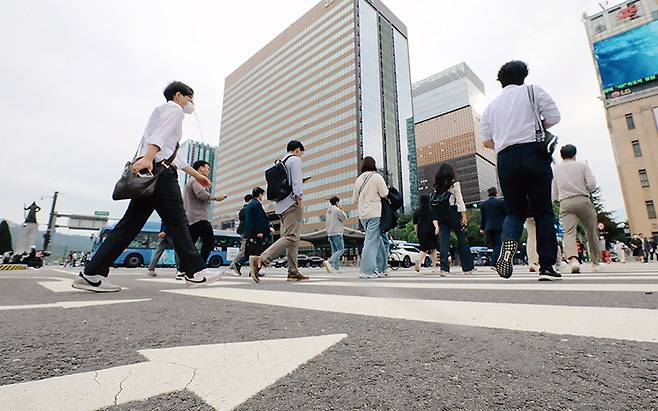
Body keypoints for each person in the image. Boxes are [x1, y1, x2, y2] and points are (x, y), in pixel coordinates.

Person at [73, 81, 222, 292]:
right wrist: (150, 158)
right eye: (190, 97)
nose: (191, 103)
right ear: (179, 95)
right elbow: (159, 140)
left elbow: (173, 154)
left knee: (129, 225)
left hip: (152, 172)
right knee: (178, 221)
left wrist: (197, 175)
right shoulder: (174, 109)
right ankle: (196, 272)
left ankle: (92, 273)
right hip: (160, 174)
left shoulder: (160, 111)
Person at [480, 60, 562, 281]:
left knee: (514, 211)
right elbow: (554, 117)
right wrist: (532, 127)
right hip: (533, 153)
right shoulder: (532, 91)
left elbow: (486, 141)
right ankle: (546, 266)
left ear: (501, 81)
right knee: (543, 211)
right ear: (523, 76)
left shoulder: (490, 108)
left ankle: (508, 246)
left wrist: (505, 136)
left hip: (505, 159)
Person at [249, 140, 308, 282]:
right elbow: (296, 182)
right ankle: (261, 260)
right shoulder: (294, 160)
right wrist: (298, 197)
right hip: (292, 204)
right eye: (301, 153)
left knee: (292, 239)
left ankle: (293, 272)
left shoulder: (282, 161)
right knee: (292, 237)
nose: (301, 155)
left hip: (281, 205)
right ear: (298, 150)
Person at [552, 144, 602, 273]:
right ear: (574, 155)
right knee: (591, 230)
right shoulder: (582, 166)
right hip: (583, 199)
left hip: (565, 202)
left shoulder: (556, 170)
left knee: (569, 232)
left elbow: (554, 191)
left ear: (561, 155)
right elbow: (592, 184)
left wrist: (558, 199)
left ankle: (573, 259)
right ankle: (595, 262)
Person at [430, 163, 474, 276]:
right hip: (453, 212)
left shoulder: (437, 185)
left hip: (441, 214)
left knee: (444, 240)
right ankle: (468, 267)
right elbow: (459, 200)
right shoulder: (454, 184)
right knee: (461, 238)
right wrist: (464, 216)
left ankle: (444, 269)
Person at [184, 160, 227, 266]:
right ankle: (200, 266)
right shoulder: (196, 179)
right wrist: (215, 198)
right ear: (201, 168)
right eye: (207, 168)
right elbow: (200, 194)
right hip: (199, 218)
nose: (208, 170)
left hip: (192, 218)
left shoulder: (192, 180)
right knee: (209, 241)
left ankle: (184, 268)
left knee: (190, 245)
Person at [352, 156, 389, 279]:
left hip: (363, 215)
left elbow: (354, 199)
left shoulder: (358, 180)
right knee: (371, 242)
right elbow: (384, 193)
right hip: (374, 213)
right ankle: (367, 271)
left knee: (378, 242)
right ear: (373, 164)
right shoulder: (376, 177)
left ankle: (382, 269)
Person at [242, 188, 273, 268]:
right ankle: (251, 269)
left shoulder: (251, 204)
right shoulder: (256, 204)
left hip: (251, 232)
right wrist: (260, 231)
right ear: (259, 194)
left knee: (252, 252)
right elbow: (258, 219)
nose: (263, 196)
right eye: (263, 194)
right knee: (256, 252)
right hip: (255, 233)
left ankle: (251, 269)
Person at [479, 187, 506, 267]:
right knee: (499, 244)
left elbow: (483, 217)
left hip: (488, 227)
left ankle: (495, 261)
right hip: (499, 227)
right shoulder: (501, 202)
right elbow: (505, 214)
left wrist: (482, 228)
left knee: (494, 245)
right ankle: (494, 263)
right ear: (496, 193)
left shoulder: (483, 204)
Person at [413, 194, 438, 273]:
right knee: (433, 249)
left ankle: (419, 260)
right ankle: (434, 267)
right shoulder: (432, 209)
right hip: (431, 230)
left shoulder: (417, 211)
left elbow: (415, 224)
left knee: (423, 249)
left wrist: (416, 232)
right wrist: (437, 227)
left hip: (421, 231)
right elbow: (434, 220)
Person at [229, 194, 254, 276]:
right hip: (247, 233)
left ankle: (253, 270)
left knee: (250, 251)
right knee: (244, 250)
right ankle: (234, 264)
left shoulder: (243, 210)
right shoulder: (247, 209)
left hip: (245, 232)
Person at [324, 196, 347, 273]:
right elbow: (344, 218)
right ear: (337, 202)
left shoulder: (328, 211)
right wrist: (341, 209)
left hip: (330, 233)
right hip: (337, 232)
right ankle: (329, 261)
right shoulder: (337, 210)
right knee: (341, 250)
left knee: (335, 251)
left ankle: (335, 268)